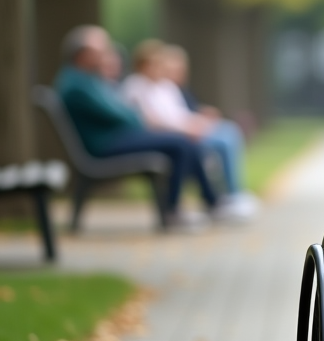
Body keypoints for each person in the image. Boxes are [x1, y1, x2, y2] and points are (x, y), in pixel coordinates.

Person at [54, 26, 219, 229]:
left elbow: (121, 111)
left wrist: (132, 114)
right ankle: (177, 210)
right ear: (83, 55)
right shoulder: (78, 85)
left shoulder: (85, 79)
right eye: (101, 51)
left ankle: (201, 203)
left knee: (182, 141)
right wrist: (135, 115)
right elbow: (121, 114)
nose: (106, 55)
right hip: (104, 145)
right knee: (180, 142)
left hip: (113, 139)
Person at [121, 40, 258, 219]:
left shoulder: (162, 86)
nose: (158, 68)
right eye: (154, 64)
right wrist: (188, 128)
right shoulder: (136, 86)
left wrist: (198, 121)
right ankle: (214, 200)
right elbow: (151, 120)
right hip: (165, 134)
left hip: (181, 129)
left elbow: (178, 113)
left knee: (228, 131)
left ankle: (227, 196)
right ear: (142, 64)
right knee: (198, 146)